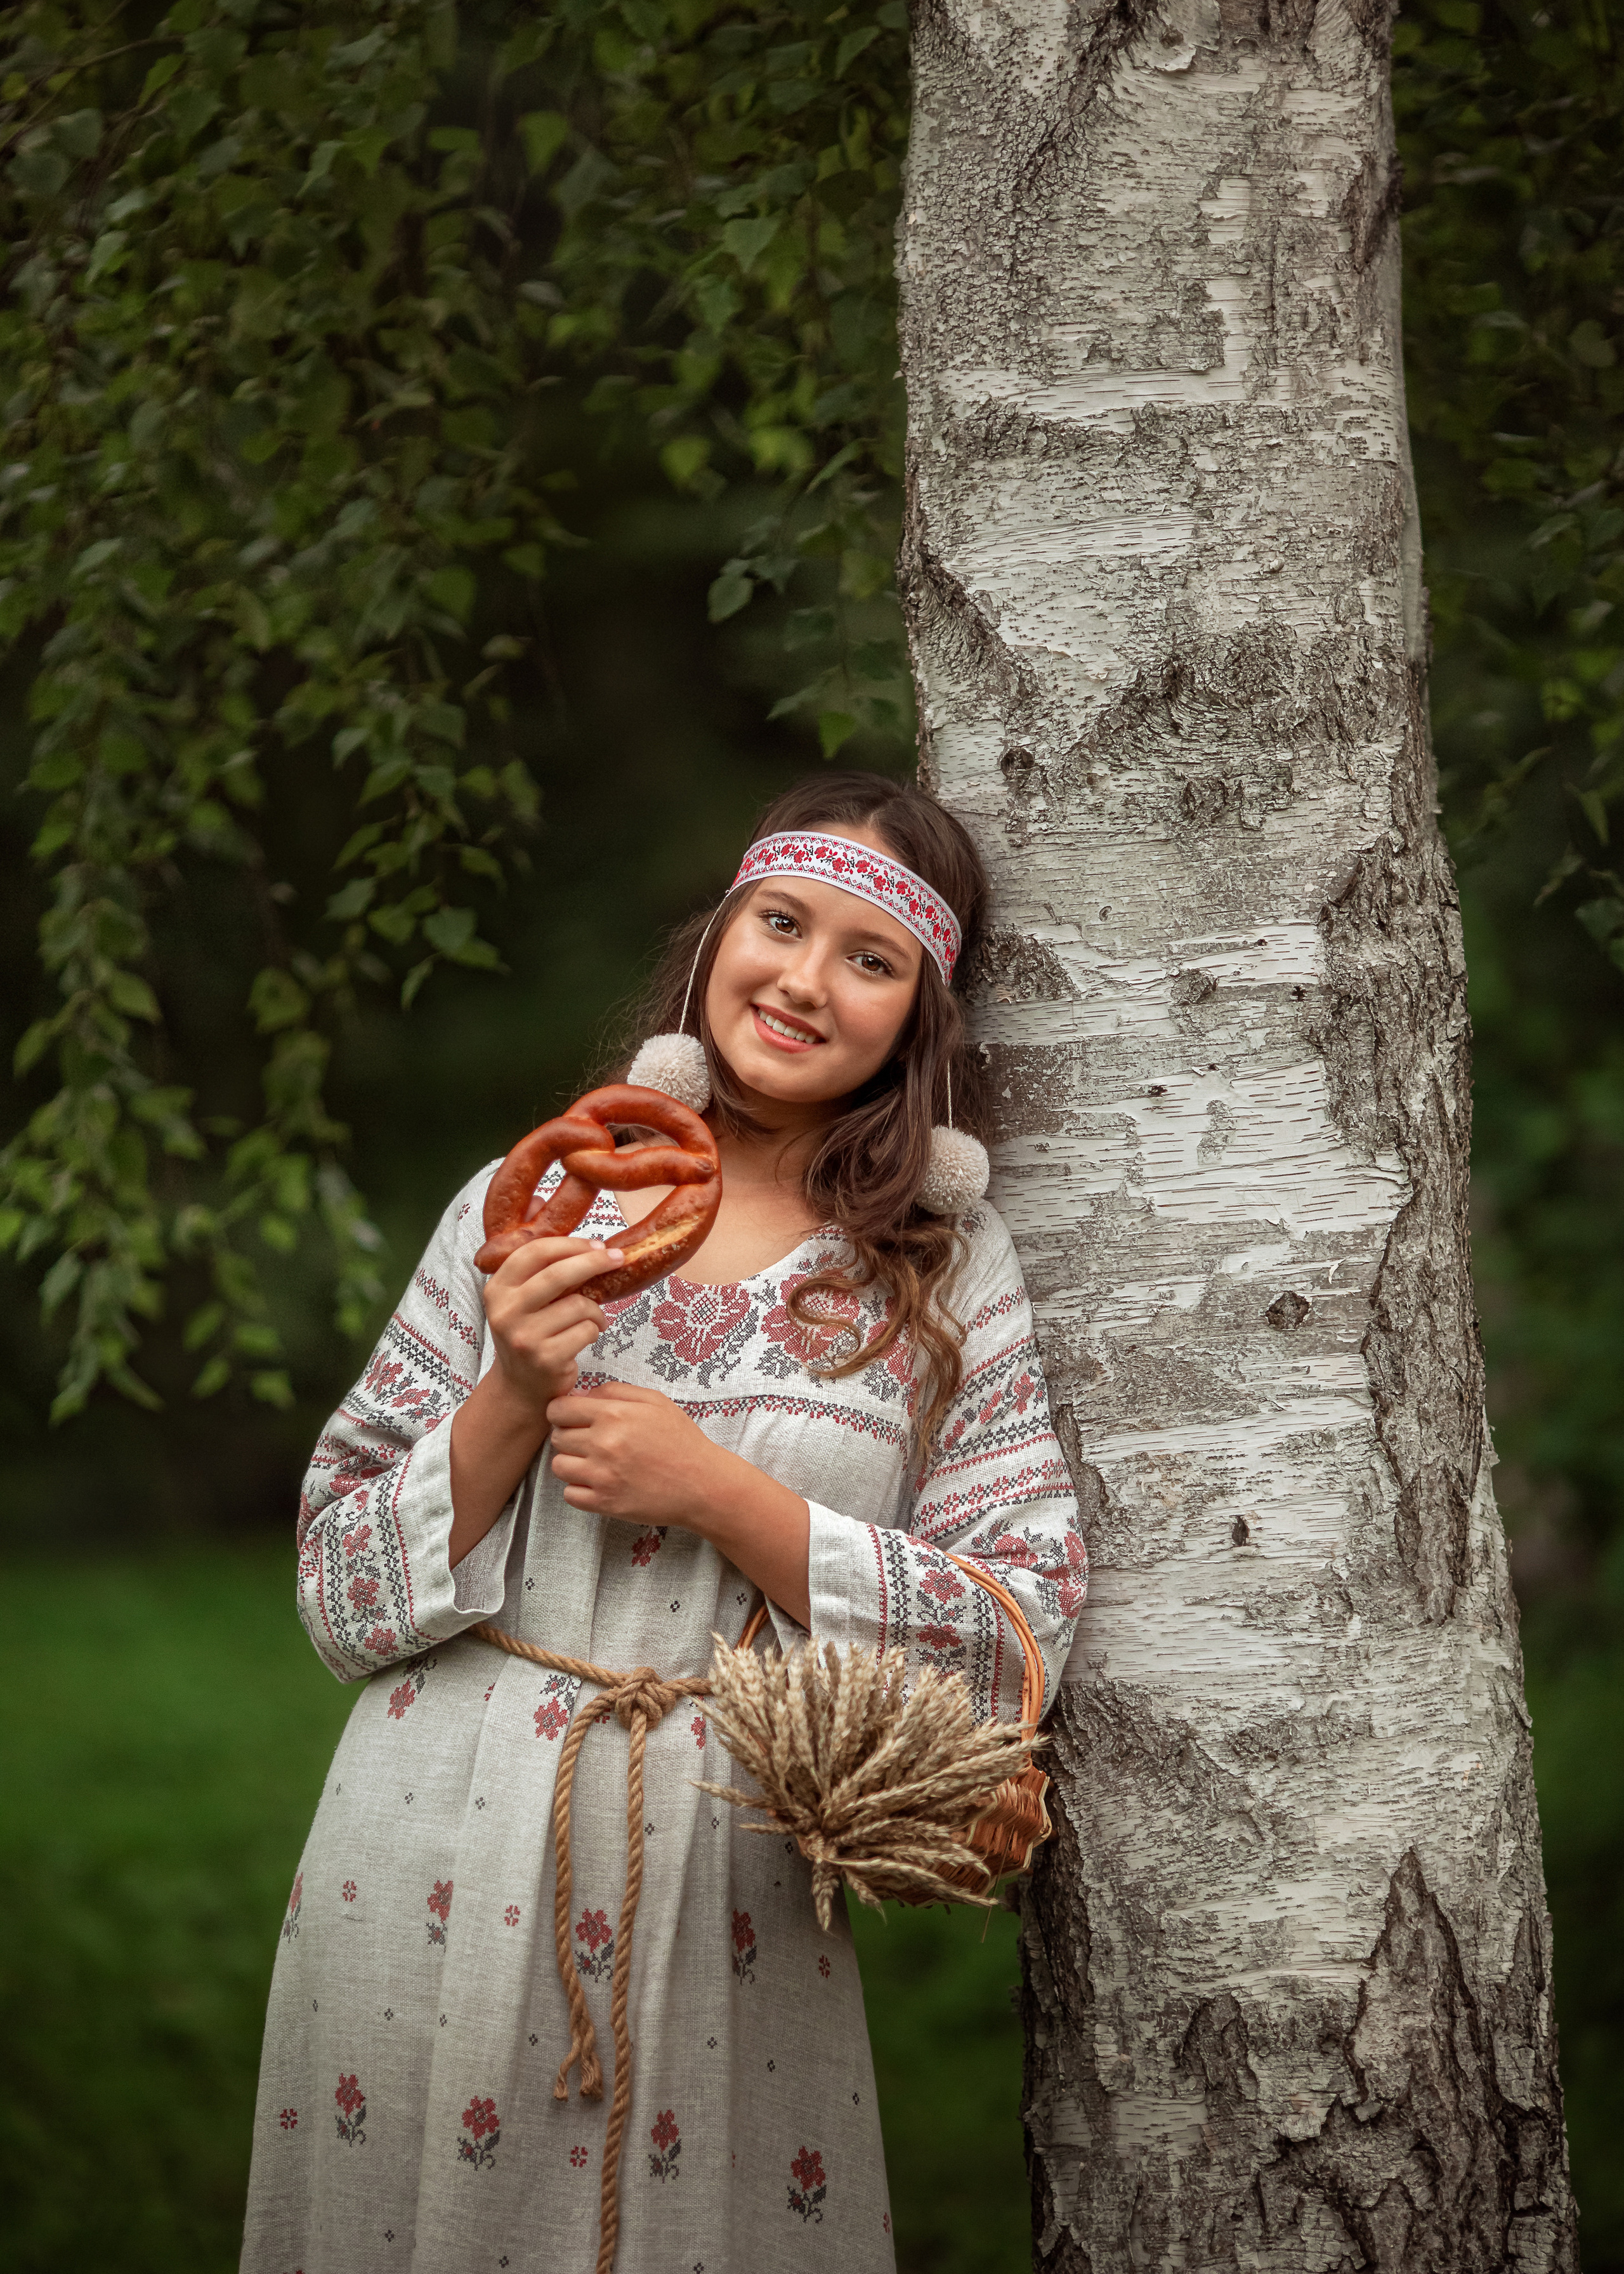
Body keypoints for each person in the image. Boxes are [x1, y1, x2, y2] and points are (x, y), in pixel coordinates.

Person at [240, 772, 1087, 2274]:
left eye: (868, 957)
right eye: (779, 922)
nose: (803, 979)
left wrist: (726, 1498)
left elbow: (1016, 1632)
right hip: (427, 1840)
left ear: (918, 1018)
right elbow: (332, 1596)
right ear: (719, 935)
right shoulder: (539, 1204)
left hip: (727, 1878)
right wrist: (510, 1387)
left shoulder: (939, 1271)